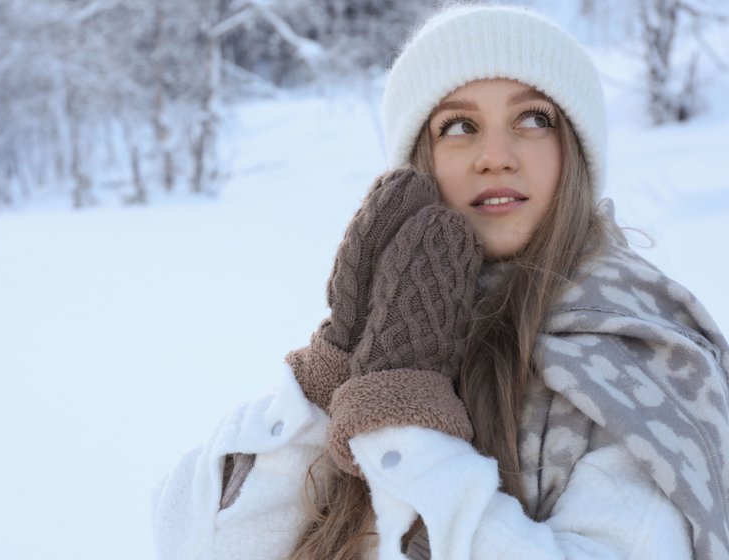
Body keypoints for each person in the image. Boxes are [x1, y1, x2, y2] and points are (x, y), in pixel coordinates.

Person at [152, 5, 729, 560]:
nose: (495, 156)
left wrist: (405, 427)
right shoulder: (392, 327)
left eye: (533, 119)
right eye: (459, 126)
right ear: (419, 161)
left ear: (573, 150)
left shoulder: (638, 356)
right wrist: (334, 367)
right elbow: (202, 543)